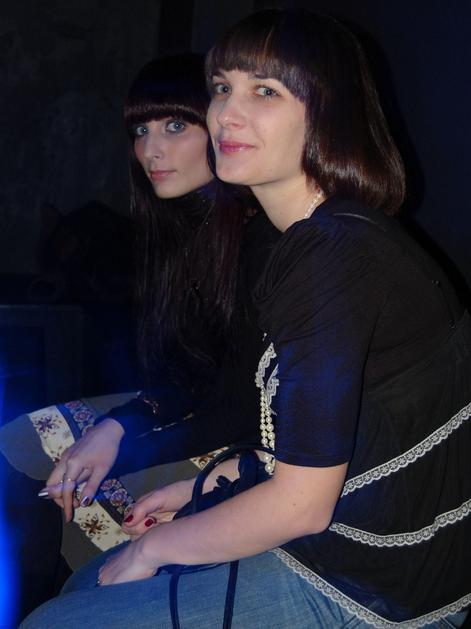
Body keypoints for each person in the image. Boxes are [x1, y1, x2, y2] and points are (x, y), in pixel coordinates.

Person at [20, 9, 471, 628]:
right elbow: (323, 433)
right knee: (81, 585)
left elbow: (301, 504)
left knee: (54, 620)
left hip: (375, 587)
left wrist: (156, 546)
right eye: (221, 88)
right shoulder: (316, 240)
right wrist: (208, 486)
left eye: (265, 92)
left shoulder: (332, 254)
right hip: (354, 545)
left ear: (328, 113)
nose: (226, 115)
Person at [0, 52, 278, 625]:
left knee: (75, 487)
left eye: (175, 126)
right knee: (22, 443)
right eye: (140, 130)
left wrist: (126, 443)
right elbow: (178, 377)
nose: (151, 149)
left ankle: (77, 604)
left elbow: (241, 408)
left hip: (254, 451)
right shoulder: (177, 232)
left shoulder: (261, 240)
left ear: (221, 127)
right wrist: (117, 425)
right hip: (205, 418)